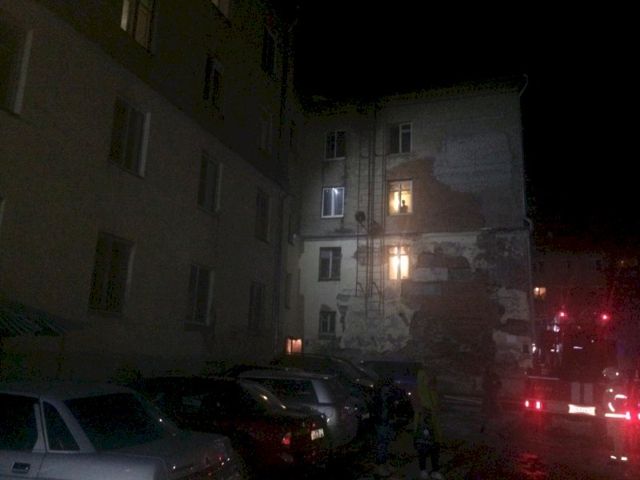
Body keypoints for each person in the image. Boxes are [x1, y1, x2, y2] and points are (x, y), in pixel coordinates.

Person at [415, 367, 444, 480]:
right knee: (423, 447)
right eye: (427, 378)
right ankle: (423, 470)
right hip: (423, 425)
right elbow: (418, 409)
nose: (430, 380)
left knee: (435, 448)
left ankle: (435, 470)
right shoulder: (419, 392)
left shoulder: (433, 392)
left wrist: (438, 409)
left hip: (434, 424)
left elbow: (437, 407)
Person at [371, 374, 397, 477]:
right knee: (382, 444)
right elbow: (377, 410)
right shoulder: (378, 396)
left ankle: (385, 464)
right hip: (381, 422)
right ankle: (380, 466)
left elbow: (391, 408)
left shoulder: (387, 395)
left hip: (386, 422)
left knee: (386, 444)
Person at [480, 363, 501, 433]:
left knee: (495, 410)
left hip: (493, 395)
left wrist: (495, 388)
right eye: (490, 368)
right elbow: (484, 385)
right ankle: (485, 426)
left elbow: (499, 384)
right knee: (488, 411)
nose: (491, 369)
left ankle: (495, 426)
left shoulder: (495, 376)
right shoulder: (487, 376)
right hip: (489, 395)